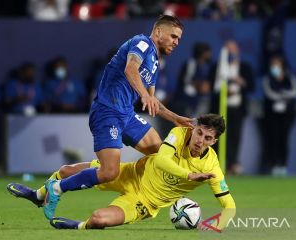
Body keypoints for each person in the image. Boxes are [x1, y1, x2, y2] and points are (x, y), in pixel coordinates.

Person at [41, 14, 193, 219]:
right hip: (107, 111)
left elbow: (152, 102)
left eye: (179, 39)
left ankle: (155, 194)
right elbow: (130, 69)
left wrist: (174, 118)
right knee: (109, 172)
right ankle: (57, 187)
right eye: (174, 36)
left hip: (126, 113)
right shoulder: (142, 43)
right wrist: (144, 95)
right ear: (158, 32)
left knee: (159, 151)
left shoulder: (155, 62)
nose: (177, 42)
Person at [7, 114, 236, 231]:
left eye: (207, 138)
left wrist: (214, 226)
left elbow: (230, 208)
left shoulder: (211, 168)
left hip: (144, 203)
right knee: (66, 170)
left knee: (98, 218)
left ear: (213, 142)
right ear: (193, 129)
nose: (199, 140)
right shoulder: (179, 133)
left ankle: (77, 226)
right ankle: (39, 196)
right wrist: (188, 176)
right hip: (129, 173)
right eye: (199, 133)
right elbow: (163, 160)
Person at [209, 40, 255, 175]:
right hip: (219, 109)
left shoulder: (245, 67)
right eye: (228, 50)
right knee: (216, 137)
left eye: (233, 50)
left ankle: (232, 164)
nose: (231, 53)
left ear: (238, 51)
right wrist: (223, 92)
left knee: (235, 137)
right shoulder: (217, 67)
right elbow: (211, 87)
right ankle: (214, 165)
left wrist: (241, 82)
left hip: (237, 109)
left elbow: (252, 86)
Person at [262, 55, 296, 176]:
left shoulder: (289, 77)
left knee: (284, 139)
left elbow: (295, 92)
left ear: (282, 65)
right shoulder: (267, 79)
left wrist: (283, 95)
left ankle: (283, 165)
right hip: (272, 115)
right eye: (273, 64)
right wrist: (281, 96)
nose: (274, 67)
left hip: (287, 114)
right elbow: (269, 93)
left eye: (277, 64)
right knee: (273, 139)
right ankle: (273, 165)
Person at [172, 42, 212, 117]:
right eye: (208, 52)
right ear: (202, 53)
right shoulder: (191, 63)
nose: (209, 54)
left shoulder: (207, 66)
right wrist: (199, 84)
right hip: (185, 99)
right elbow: (185, 79)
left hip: (198, 100)